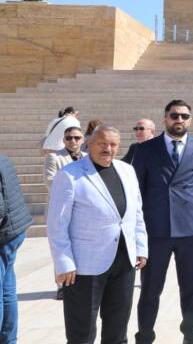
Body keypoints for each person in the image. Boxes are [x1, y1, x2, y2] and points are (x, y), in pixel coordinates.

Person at [47, 126, 147, 344]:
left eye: (112, 144)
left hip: (124, 262)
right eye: (102, 143)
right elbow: (57, 223)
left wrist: (140, 247)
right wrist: (63, 262)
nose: (107, 148)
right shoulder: (70, 175)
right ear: (89, 144)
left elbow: (136, 213)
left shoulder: (127, 170)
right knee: (82, 332)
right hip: (84, 266)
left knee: (118, 328)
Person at [129, 100, 193, 344]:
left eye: (184, 116)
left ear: (190, 120)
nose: (179, 120)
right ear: (165, 118)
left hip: (190, 228)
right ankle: (144, 335)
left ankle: (192, 335)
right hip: (156, 229)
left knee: (190, 288)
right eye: (174, 115)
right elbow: (137, 191)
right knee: (150, 289)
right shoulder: (145, 149)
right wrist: (138, 230)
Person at [0, 149, 30, 337]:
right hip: (14, 230)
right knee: (7, 289)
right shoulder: (3, 158)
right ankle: (9, 338)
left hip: (3, 234)